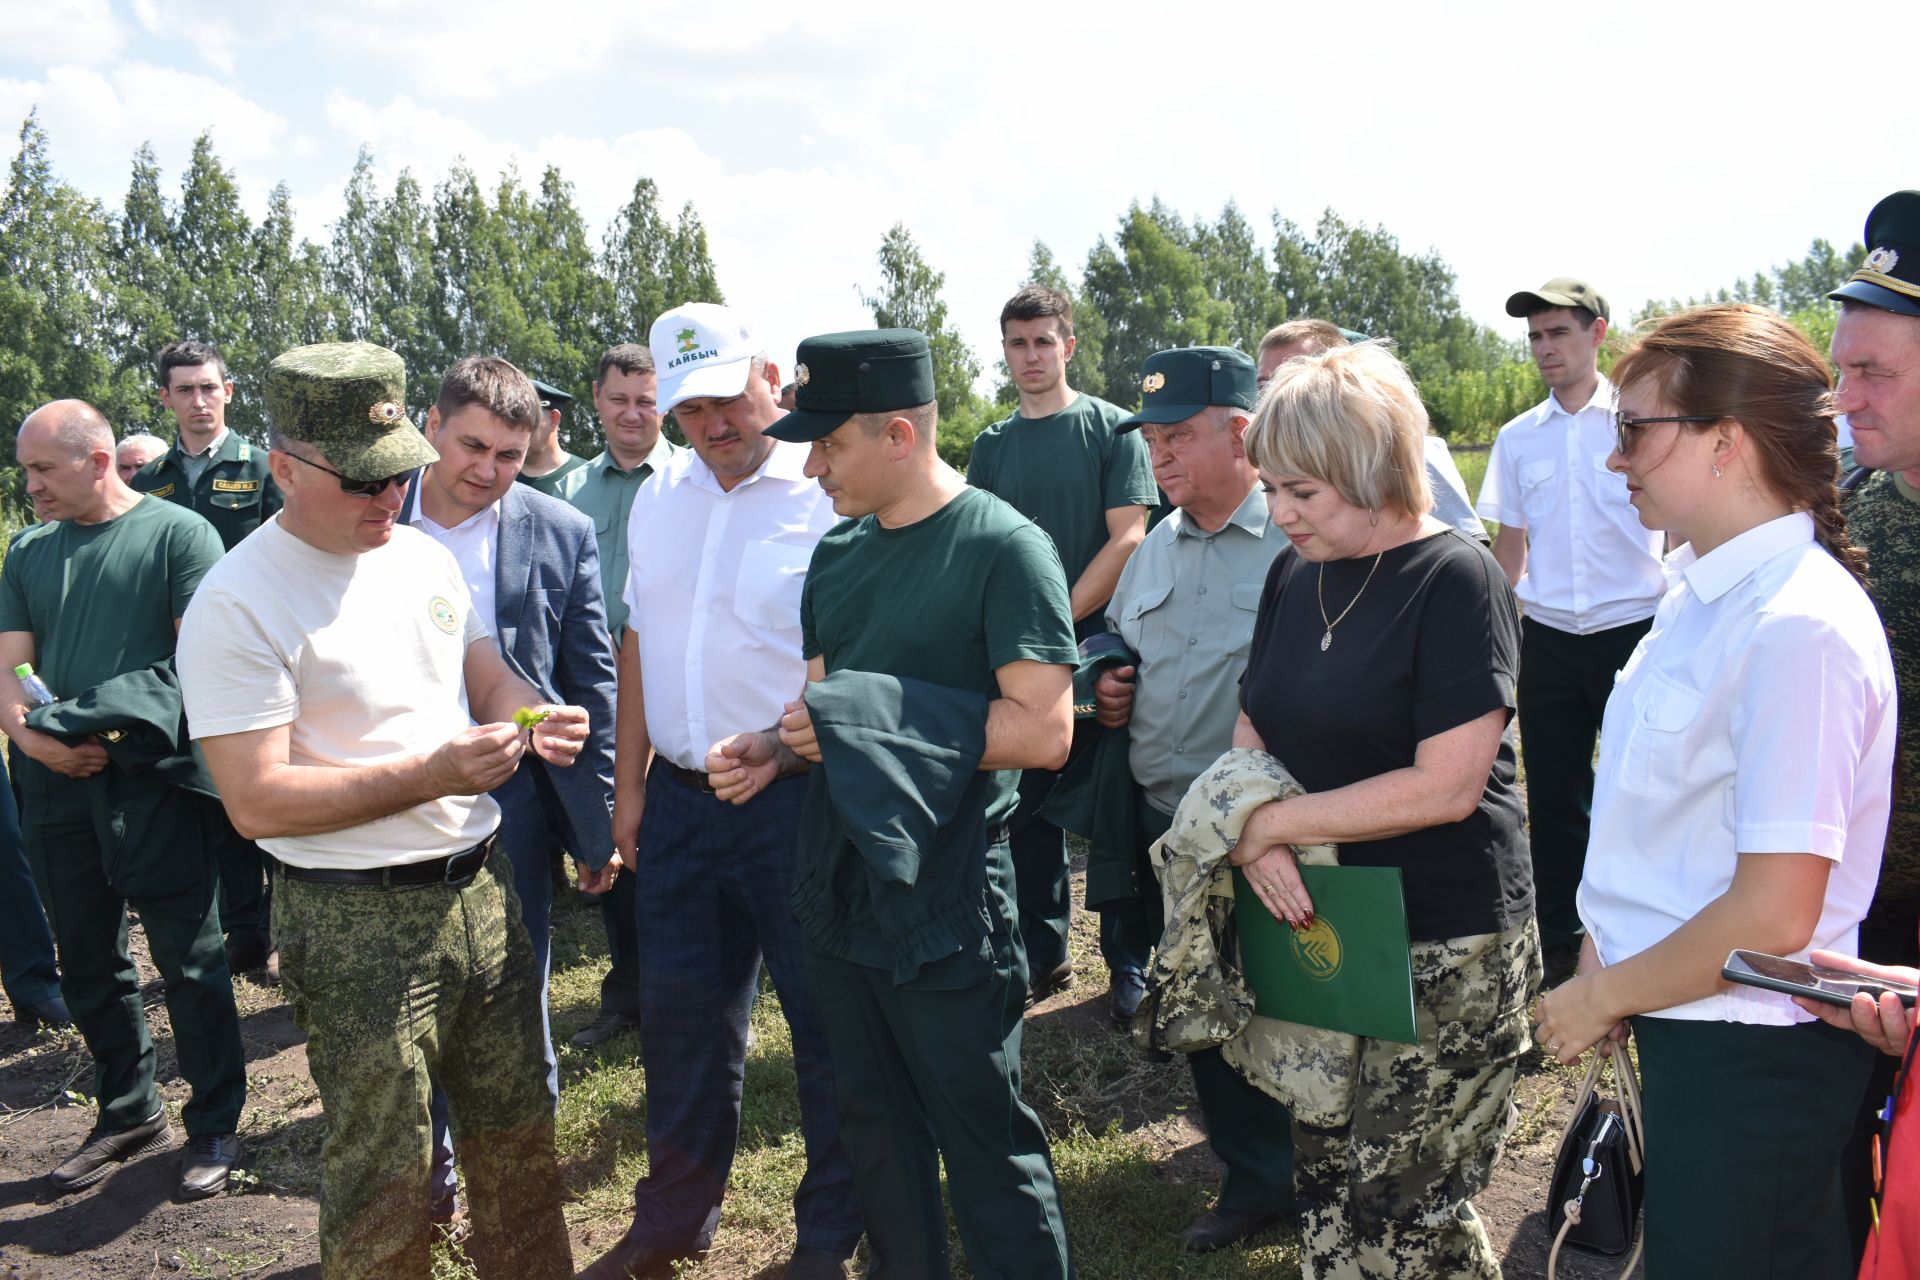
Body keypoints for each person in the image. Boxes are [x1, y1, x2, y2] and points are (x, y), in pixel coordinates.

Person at [176, 341, 580, 1278]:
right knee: (385, 1178)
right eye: (361, 482)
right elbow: (254, 798)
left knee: (520, 1142)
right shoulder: (237, 602)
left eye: (399, 474)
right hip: (354, 917)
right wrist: (434, 771)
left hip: (481, 893)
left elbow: (481, 669)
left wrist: (527, 712)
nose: (387, 499)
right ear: (282, 467)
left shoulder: (422, 557)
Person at [1533, 304, 1894, 1279]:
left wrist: (1599, 990)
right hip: (1692, 1024)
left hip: (1753, 1059)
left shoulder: (1796, 624)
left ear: (1726, 441)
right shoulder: (1704, 594)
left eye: (1635, 428)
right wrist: (1611, 955)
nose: (1618, 459)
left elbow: (1774, 912)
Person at [749, 327, 1077, 1279]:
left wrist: (858, 718)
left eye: (829, 444)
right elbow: (829, 711)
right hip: (842, 874)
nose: (811, 468)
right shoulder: (838, 555)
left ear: (899, 434)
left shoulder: (1004, 548)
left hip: (952, 887)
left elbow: (1044, 729)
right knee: (874, 1125)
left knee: (981, 1133)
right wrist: (780, 746)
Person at [1232, 341, 1536, 1278]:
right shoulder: (1295, 570)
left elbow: (1446, 784)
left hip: (1445, 944)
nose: (1279, 514)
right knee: (1326, 1177)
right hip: (1326, 924)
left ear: (1370, 471)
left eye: (1302, 492)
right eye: (1270, 488)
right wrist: (1252, 825)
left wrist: (1274, 826)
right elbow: (1253, 720)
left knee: (1408, 1202)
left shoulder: (1457, 578)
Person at [580, 304, 857, 1280]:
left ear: (771, 376)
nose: (713, 424)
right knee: (684, 1021)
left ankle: (828, 1233)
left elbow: (858, 651)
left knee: (827, 1022)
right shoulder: (660, 495)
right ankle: (674, 1217)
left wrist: (789, 748)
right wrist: (630, 787)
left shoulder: (827, 486)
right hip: (686, 801)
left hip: (799, 796)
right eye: (688, 407)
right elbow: (640, 645)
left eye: (728, 398)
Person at [0, 400, 246, 1199]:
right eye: (25, 469)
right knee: (88, 960)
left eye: (43, 469)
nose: (29, 484)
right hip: (49, 787)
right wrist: (36, 741)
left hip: (151, 782)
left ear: (97, 460)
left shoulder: (180, 536)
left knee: (191, 958)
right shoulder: (28, 551)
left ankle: (214, 1119)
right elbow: (10, 668)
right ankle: (129, 1108)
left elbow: (197, 662)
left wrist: (99, 732)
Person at [402, 355, 619, 1225]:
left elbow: (589, 679)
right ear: (430, 424)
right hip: (391, 795)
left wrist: (598, 824)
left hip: (516, 803)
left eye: (508, 455)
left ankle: (520, 1174)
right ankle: (427, 1174)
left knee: (513, 985)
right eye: (471, 445)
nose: (486, 471)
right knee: (412, 997)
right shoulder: (373, 515)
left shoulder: (561, 531)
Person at [1093, 345, 1296, 1252]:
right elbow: (1115, 643)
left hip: (1271, 833)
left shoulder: (1300, 538)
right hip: (1163, 820)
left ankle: (1318, 1173)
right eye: (1152, 441)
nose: (1159, 459)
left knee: (1298, 1008)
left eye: (1178, 437)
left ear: (1242, 434)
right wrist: (1106, 684)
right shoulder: (1156, 546)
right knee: (1202, 1006)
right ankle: (1254, 1181)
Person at [968, 283, 1158, 1007]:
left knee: (1118, 812)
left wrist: (1055, 625)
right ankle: (1041, 957)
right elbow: (979, 548)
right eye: (1017, 344)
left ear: (1068, 345)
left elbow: (1129, 537)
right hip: (1020, 661)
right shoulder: (990, 446)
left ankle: (1129, 966)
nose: (1030, 356)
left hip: (1107, 644)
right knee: (1025, 812)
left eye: (1044, 341)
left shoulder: (1114, 430)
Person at [1474, 279, 1664, 988]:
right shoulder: (1519, 438)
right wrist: (1491, 639)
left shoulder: (1642, 423)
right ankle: (1559, 935)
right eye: (1535, 338)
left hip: (1635, 630)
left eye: (1558, 333)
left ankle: (1644, 932)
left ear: (1598, 333)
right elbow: (1510, 548)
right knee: (1554, 794)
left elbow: (1676, 534)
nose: (1545, 349)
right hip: (1549, 638)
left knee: (1642, 787)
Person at [133, 339, 285, 975]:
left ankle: (287, 923)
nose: (199, 401)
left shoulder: (263, 469)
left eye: (209, 387)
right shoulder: (148, 483)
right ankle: (245, 928)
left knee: (276, 784)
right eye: (185, 389)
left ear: (228, 392)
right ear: (165, 398)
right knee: (212, 795)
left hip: (260, 652)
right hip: (180, 664)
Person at [1832, 188, 1920, 1254]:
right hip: (1861, 925)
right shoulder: (1847, 512)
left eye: (1873, 371)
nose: (1844, 392)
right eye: (1842, 365)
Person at [556, 341, 681, 1049]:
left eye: (647, 400)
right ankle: (627, 994)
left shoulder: (693, 483)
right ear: (597, 402)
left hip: (678, 693)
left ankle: (710, 999)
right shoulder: (567, 493)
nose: (633, 414)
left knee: (696, 850)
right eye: (619, 399)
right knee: (615, 843)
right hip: (598, 699)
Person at [1256, 319, 1486, 542]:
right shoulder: (1267, 458)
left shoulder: (1410, 448)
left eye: (1294, 372)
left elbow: (1466, 542)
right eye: (1263, 384)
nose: (1275, 391)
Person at [516, 378, 587, 496]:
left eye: (524, 418)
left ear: (554, 419)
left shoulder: (586, 477)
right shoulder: (498, 474)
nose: (514, 427)